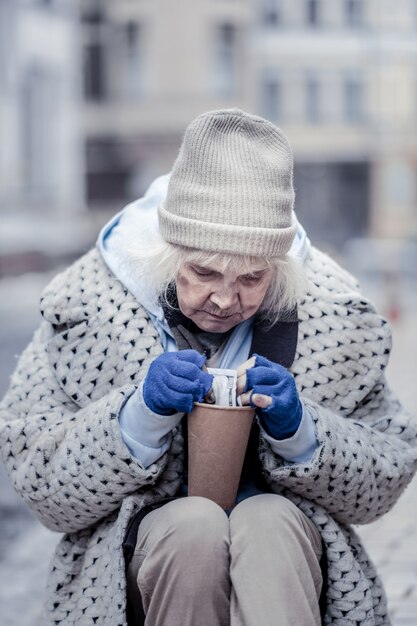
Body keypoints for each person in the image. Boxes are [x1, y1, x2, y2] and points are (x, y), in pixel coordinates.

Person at [1, 108, 416, 626]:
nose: (224, 299)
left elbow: (385, 477)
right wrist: (139, 414)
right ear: (164, 254)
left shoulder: (334, 320)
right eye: (203, 272)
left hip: (288, 552)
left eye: (251, 278)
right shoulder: (83, 311)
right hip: (135, 568)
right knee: (193, 528)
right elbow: (41, 487)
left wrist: (302, 431)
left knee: (267, 521)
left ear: (280, 271)